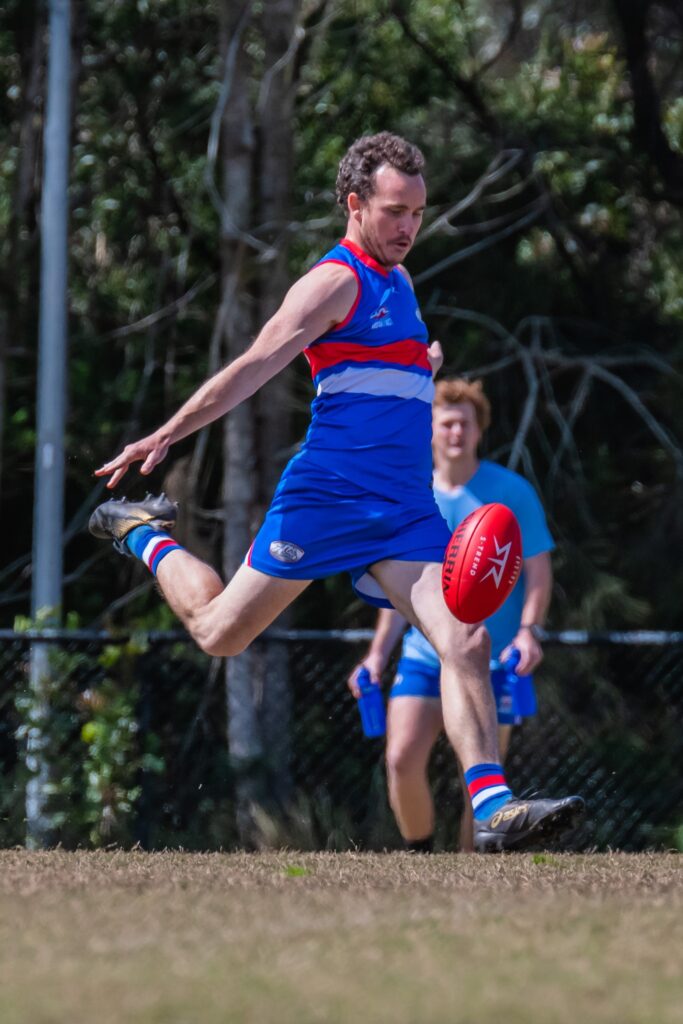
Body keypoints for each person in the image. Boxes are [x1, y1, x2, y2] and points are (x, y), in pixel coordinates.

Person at [90, 131, 583, 852]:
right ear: (355, 205)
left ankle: (492, 809)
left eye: (417, 212)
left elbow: (386, 368)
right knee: (221, 633)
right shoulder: (331, 281)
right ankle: (142, 532)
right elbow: (254, 364)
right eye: (394, 211)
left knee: (466, 638)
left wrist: (422, 364)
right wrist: (168, 432)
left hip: (404, 511)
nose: (408, 226)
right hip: (326, 498)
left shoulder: (400, 282)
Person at [349, 378, 554, 852]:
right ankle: (420, 856)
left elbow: (539, 571)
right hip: (424, 656)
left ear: (479, 430)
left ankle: (470, 867)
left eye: (465, 423)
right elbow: (402, 592)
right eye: (446, 423)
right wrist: (376, 656)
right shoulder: (414, 494)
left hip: (492, 659)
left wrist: (529, 632)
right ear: (430, 431)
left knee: (479, 778)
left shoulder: (511, 492)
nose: (456, 432)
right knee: (400, 759)